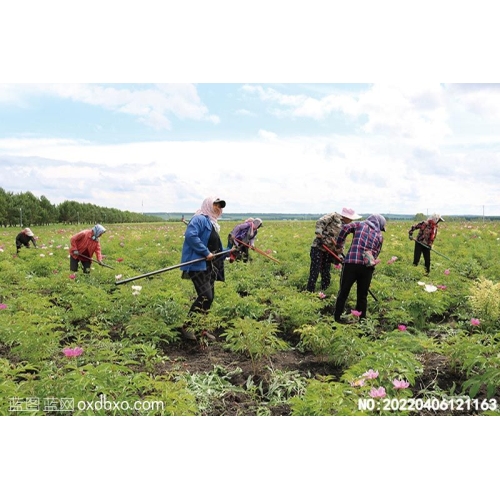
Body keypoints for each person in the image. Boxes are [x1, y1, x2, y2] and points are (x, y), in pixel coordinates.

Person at [180, 196, 227, 341]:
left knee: (208, 299)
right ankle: (187, 327)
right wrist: (205, 252)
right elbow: (190, 236)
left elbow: (216, 248)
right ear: (208, 205)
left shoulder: (212, 223)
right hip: (197, 265)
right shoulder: (199, 219)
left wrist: (228, 250)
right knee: (206, 296)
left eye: (220, 206)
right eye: (215, 205)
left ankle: (201, 328)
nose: (218, 209)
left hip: (209, 267)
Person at [333, 214, 386, 323]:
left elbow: (345, 228)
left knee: (343, 292)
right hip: (367, 268)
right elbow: (376, 253)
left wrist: (338, 245)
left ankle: (337, 318)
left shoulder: (359, 224)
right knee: (362, 296)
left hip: (351, 263)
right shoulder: (380, 236)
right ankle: (361, 322)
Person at [306, 208, 361, 295]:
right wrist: (319, 235)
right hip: (318, 247)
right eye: (351, 218)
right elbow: (320, 222)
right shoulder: (333, 216)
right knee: (315, 271)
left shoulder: (346, 227)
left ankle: (324, 291)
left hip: (329, 251)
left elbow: (341, 243)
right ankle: (309, 292)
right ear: (346, 216)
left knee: (326, 272)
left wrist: (339, 254)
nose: (351, 220)